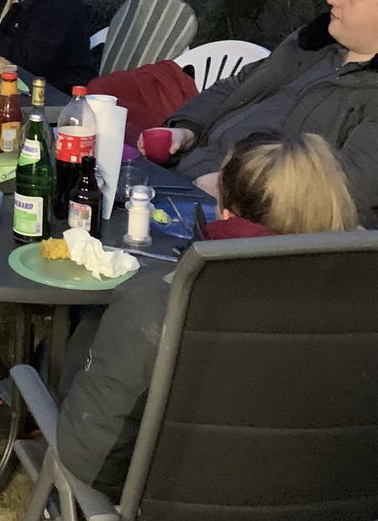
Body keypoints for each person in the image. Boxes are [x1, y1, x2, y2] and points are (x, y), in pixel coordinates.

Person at [55, 133, 358, 498]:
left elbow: (90, 457)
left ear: (225, 210)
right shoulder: (359, 305)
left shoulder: (164, 304)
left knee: (88, 332)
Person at [138, 0, 378, 224]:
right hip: (186, 176)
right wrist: (185, 130)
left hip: (250, 220)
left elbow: (343, 193)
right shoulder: (311, 44)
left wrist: (235, 189)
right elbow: (235, 86)